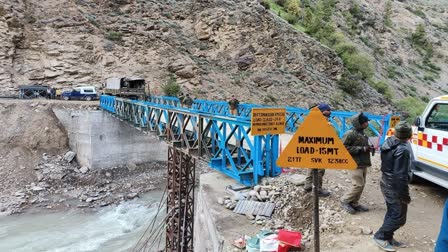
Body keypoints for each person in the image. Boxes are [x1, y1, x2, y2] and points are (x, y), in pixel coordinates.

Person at [373, 121, 413, 251]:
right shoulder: (403, 149)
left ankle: (388, 236)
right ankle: (381, 236)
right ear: (409, 135)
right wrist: (405, 195)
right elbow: (400, 176)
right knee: (399, 217)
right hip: (395, 187)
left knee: (392, 212)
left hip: (385, 182)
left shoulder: (389, 141)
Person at [340, 112, 373, 214]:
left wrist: (368, 148)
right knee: (358, 185)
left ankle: (354, 203)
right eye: (366, 122)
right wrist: (361, 148)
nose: (367, 123)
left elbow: (362, 147)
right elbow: (342, 148)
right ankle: (345, 200)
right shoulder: (350, 134)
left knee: (362, 184)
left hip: (363, 162)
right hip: (354, 163)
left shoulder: (362, 133)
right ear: (360, 123)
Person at [304, 103, 332, 197]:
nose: (330, 112)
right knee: (320, 169)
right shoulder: (320, 121)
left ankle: (308, 186)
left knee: (311, 166)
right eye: (328, 110)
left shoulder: (313, 118)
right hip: (319, 148)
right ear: (323, 111)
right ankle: (318, 189)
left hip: (312, 148)